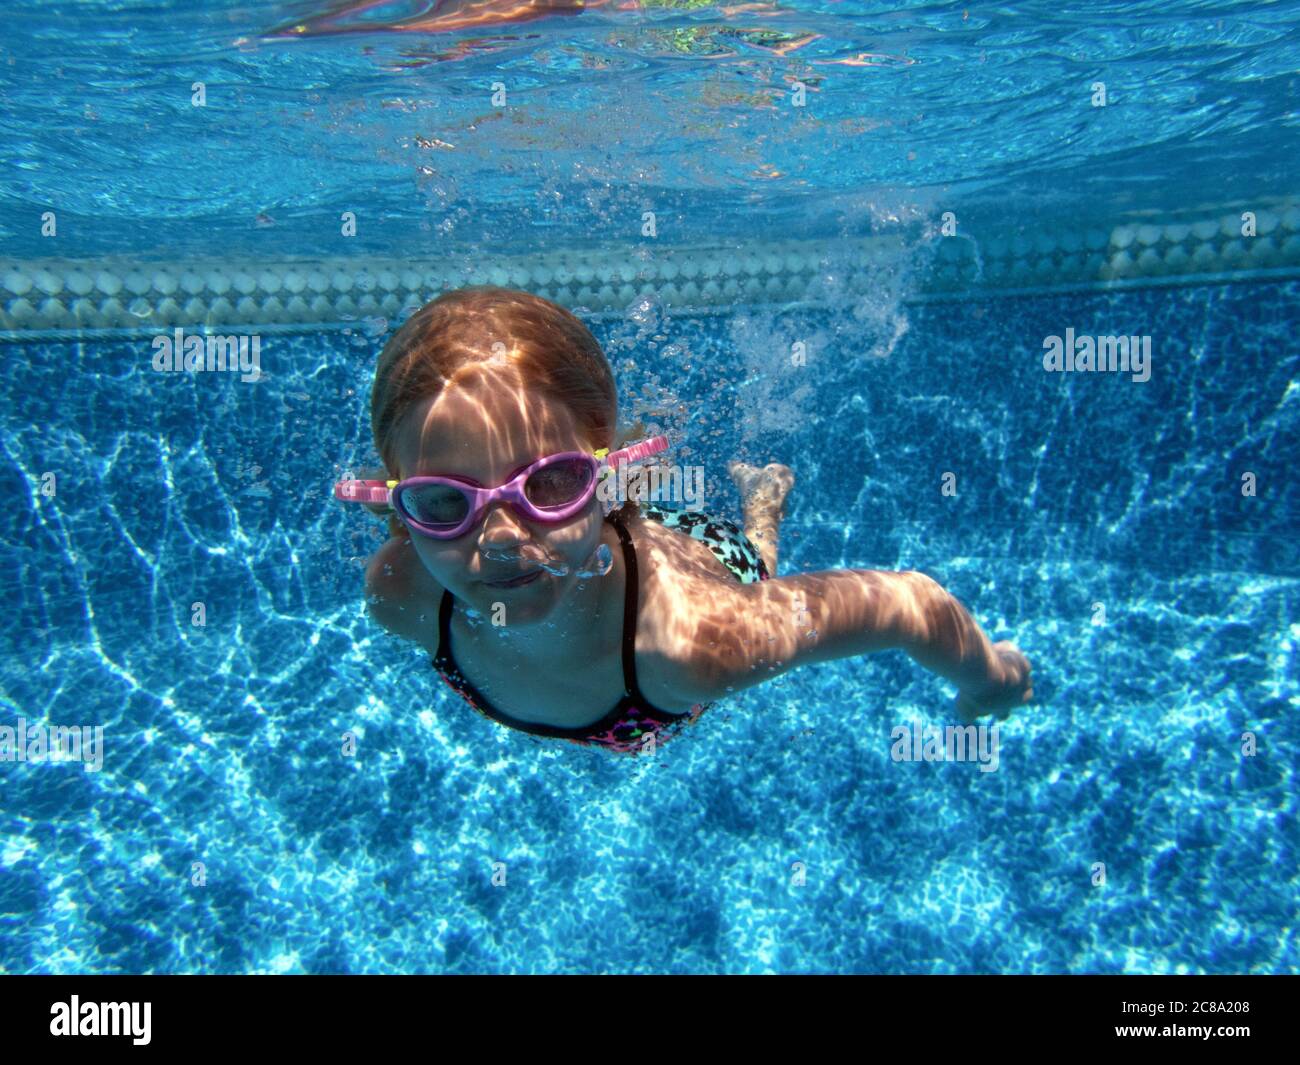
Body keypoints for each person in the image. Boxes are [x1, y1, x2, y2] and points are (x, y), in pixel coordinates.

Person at [338, 286, 1033, 753]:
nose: (498, 541)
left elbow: (911, 603)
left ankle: (762, 506)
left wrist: (993, 680)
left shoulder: (694, 642)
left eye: (550, 481)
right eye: (443, 501)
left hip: (692, 561)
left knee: (757, 563)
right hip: (605, 536)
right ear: (400, 500)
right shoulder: (401, 594)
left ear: (605, 467)